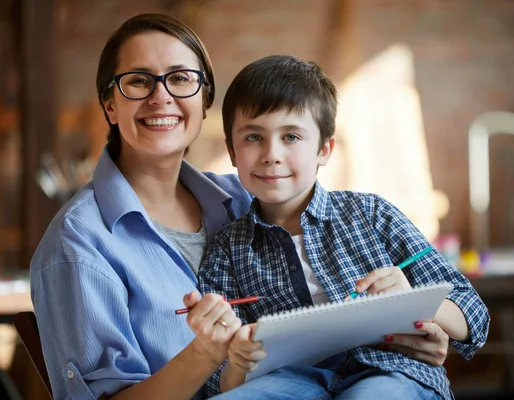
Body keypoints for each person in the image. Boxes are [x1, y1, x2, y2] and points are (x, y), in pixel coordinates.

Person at [197, 54, 490, 399]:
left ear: (324, 149)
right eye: (253, 138)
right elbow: (221, 381)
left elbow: (473, 312)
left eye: (291, 137)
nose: (271, 154)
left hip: (389, 373)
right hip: (289, 383)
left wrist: (411, 298)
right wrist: (237, 362)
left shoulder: (371, 214)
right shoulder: (227, 249)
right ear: (231, 151)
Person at [29, 14, 253, 400]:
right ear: (110, 106)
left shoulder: (244, 200)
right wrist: (202, 354)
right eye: (138, 80)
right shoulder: (78, 242)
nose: (161, 96)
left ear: (204, 100)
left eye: (180, 78)